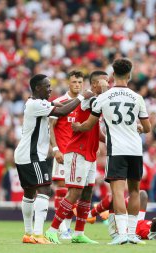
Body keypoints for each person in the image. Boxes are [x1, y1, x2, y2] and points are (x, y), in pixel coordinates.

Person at [72, 58, 151, 245]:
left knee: (117, 191)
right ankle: (132, 234)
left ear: (113, 75)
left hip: (117, 149)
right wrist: (138, 128)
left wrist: (77, 126)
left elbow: (89, 125)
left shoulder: (103, 98)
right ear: (130, 75)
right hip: (135, 149)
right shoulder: (137, 97)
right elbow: (147, 128)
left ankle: (122, 234)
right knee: (134, 191)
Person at [14, 74, 93, 244]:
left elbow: (56, 105)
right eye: (47, 86)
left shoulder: (35, 103)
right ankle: (37, 234)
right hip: (32, 155)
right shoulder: (36, 104)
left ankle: (28, 233)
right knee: (44, 190)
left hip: (25, 154)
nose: (50, 89)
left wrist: (58, 103)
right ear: (37, 88)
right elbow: (63, 111)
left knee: (29, 193)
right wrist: (81, 96)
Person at [45, 71, 109, 244]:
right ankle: (52, 230)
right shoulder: (89, 99)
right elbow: (84, 124)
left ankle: (79, 233)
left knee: (87, 192)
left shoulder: (97, 100)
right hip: (76, 152)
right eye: (105, 82)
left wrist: (110, 140)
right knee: (74, 191)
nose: (108, 85)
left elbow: (95, 129)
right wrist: (56, 148)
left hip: (90, 153)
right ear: (95, 84)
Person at [49, 70, 83, 239]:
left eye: (80, 82)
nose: (77, 85)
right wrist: (55, 149)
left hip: (78, 154)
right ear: (68, 83)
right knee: (63, 189)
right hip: (63, 152)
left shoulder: (84, 103)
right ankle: (61, 227)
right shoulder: (59, 102)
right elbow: (51, 127)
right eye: (74, 82)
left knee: (74, 192)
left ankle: (66, 228)